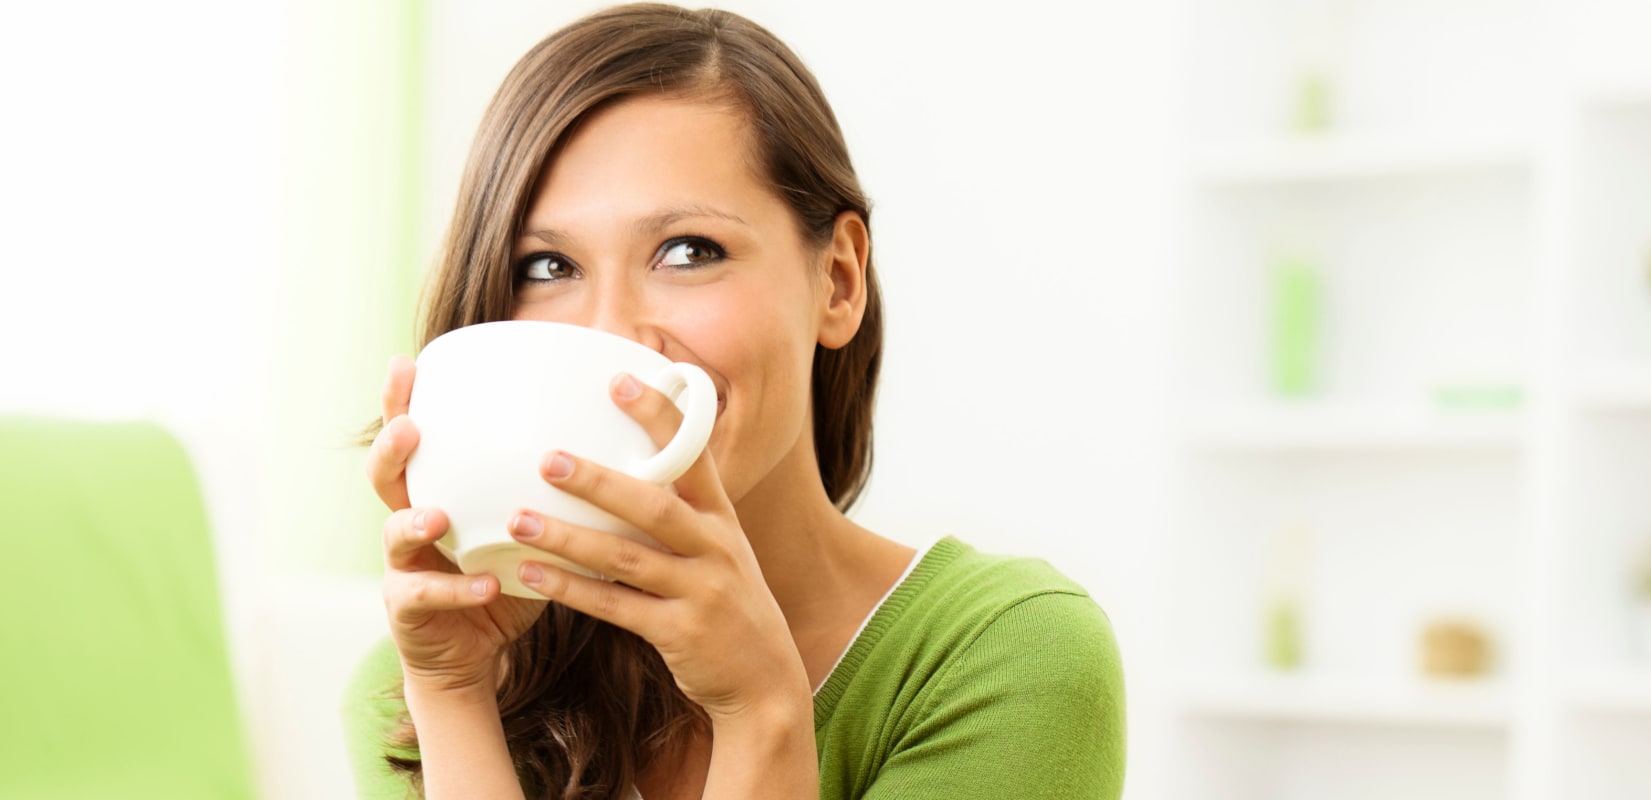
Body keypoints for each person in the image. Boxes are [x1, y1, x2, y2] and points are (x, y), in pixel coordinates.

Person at [340, 4, 1125, 799]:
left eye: (688, 252)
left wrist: (761, 710)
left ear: (838, 281)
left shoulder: (1010, 656)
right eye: (547, 267)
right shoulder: (424, 679)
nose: (616, 336)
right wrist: (452, 700)